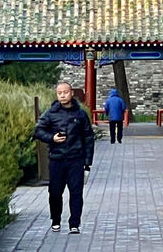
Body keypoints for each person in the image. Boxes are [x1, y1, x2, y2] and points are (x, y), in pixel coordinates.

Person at [33, 81, 95, 235]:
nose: (62, 95)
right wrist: (52, 138)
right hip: (57, 159)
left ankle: (74, 223)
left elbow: (88, 138)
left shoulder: (80, 114)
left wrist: (87, 163)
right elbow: (38, 131)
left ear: (71, 93)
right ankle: (55, 220)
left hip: (76, 159)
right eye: (59, 93)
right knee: (54, 192)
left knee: (76, 192)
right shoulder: (50, 113)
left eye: (65, 92)